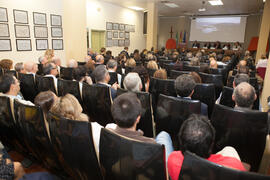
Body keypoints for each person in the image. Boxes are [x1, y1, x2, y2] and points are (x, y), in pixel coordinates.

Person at [167, 114, 245, 180]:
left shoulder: (173, 159)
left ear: (180, 142)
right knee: (230, 149)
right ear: (212, 144)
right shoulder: (233, 167)